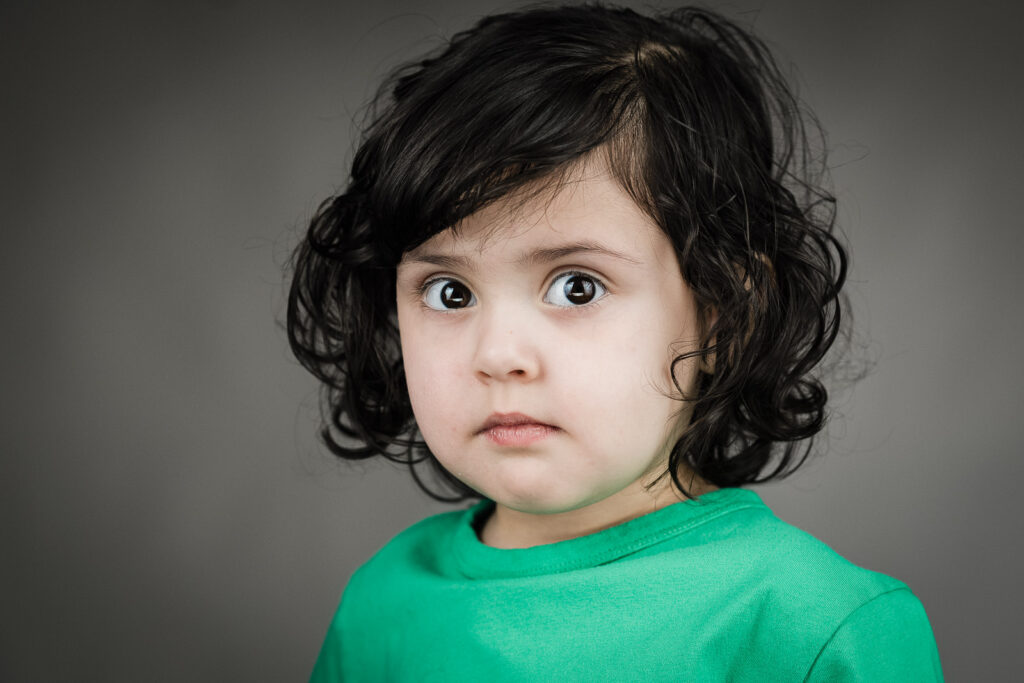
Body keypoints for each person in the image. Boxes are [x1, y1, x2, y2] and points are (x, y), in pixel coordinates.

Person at [287, 3, 944, 680]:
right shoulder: (381, 605)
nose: (498, 354)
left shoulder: (815, 627)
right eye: (450, 293)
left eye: (577, 286)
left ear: (724, 313)